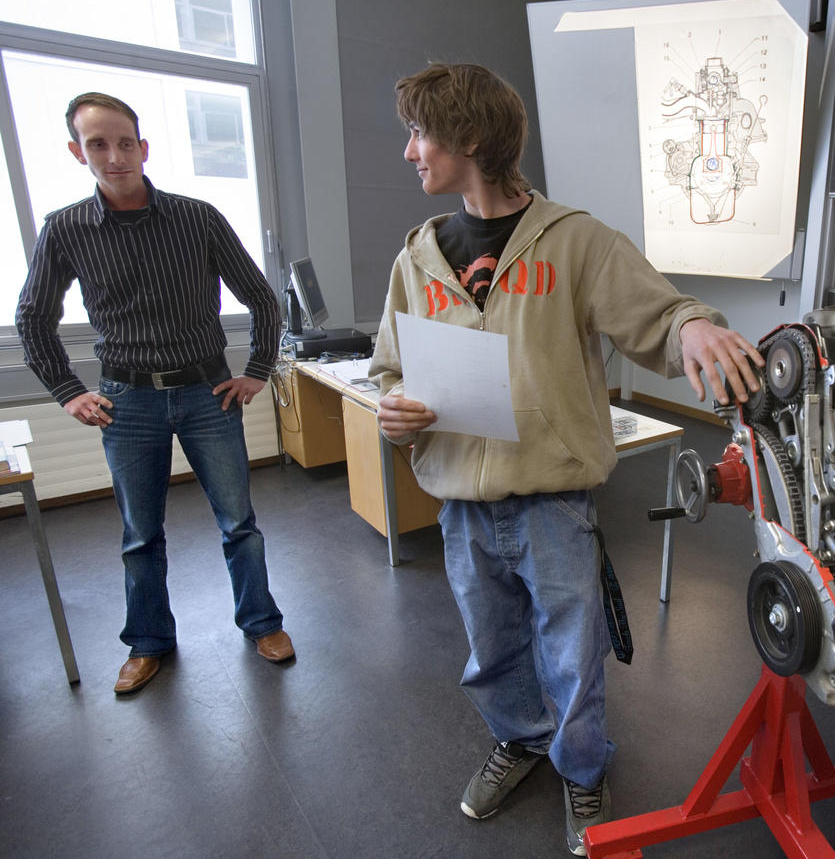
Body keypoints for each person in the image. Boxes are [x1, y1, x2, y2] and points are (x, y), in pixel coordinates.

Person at [370, 62, 764, 855]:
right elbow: (391, 367)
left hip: (553, 502)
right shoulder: (418, 256)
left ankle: (582, 767)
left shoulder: (577, 240)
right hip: (461, 502)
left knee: (572, 655)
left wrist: (694, 327)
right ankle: (520, 738)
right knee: (491, 650)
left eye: (420, 133)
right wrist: (394, 409)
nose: (410, 151)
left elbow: (662, 313)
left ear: (469, 137)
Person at [15, 92, 294, 696]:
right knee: (139, 533)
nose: (114, 156)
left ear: (143, 148)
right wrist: (67, 391)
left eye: (124, 143)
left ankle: (262, 622)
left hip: (205, 395)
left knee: (238, 522)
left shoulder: (198, 217)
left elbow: (262, 298)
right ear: (77, 152)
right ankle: (148, 642)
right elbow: (32, 317)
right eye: (97, 144)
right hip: (127, 402)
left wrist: (258, 370)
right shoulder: (65, 229)